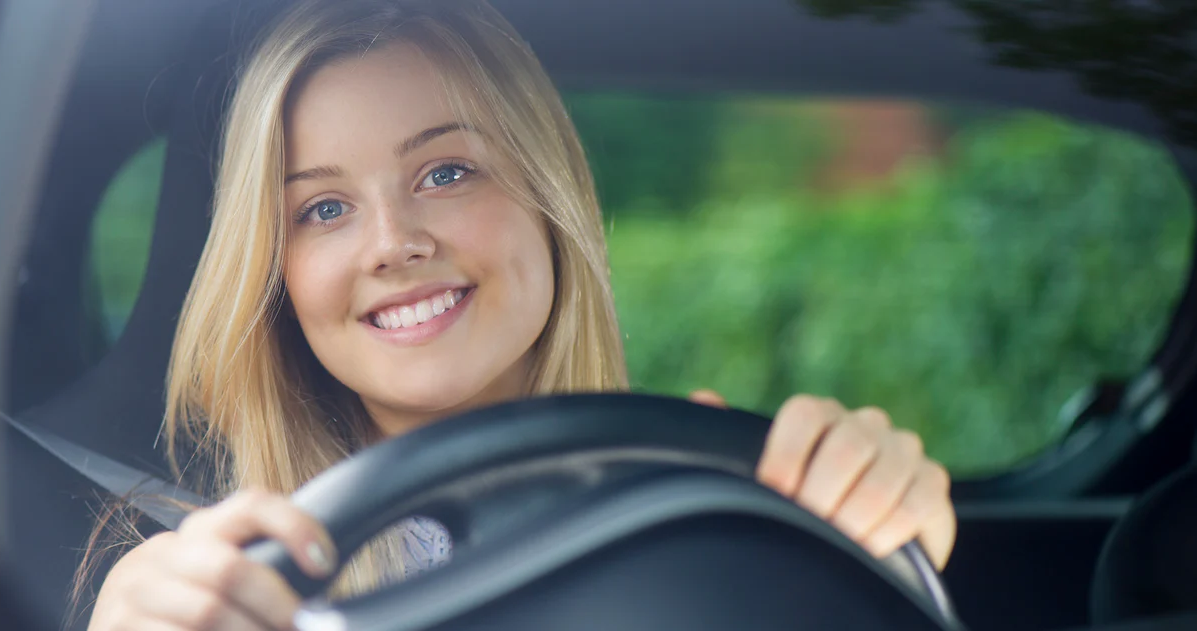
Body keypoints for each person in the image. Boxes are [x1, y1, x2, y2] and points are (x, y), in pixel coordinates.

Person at [84, 0, 956, 629]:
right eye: (321, 209)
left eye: (446, 173)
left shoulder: (715, 504)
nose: (392, 244)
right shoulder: (209, 583)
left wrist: (871, 535)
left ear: (551, 199)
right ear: (274, 276)